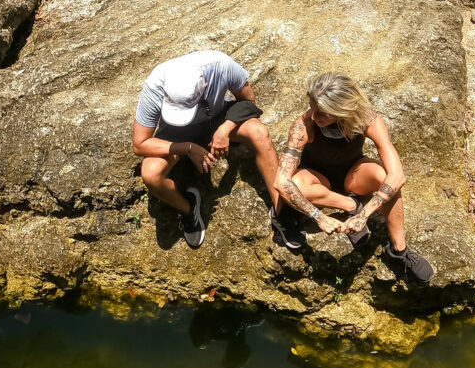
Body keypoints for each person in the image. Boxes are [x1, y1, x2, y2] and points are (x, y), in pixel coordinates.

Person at [132, 50, 305, 250]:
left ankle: (281, 210)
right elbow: (140, 144)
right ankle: (188, 209)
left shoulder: (220, 65)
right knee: (151, 173)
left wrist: (225, 128)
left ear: (205, 85)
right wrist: (188, 148)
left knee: (259, 132)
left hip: (216, 119)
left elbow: (248, 102)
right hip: (177, 134)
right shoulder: (155, 85)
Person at [274, 71, 434, 282]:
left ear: (342, 110)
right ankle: (350, 205)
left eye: (321, 112)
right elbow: (281, 181)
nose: (314, 116)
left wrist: (364, 215)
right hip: (318, 179)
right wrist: (319, 217)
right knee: (295, 184)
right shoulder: (304, 126)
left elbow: (397, 176)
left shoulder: (367, 120)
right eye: (312, 107)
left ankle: (399, 250)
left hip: (353, 175)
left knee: (383, 175)